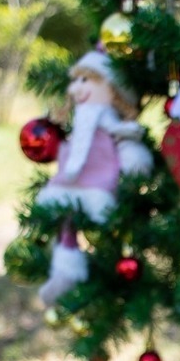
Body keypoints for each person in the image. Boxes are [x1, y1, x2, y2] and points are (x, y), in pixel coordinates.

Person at [36, 49, 154, 305]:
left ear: (110, 89)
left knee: (92, 214)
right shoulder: (79, 119)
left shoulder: (105, 117)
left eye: (86, 80)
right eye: (76, 81)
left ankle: (83, 275)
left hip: (97, 183)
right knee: (64, 219)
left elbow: (120, 135)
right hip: (68, 181)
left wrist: (133, 145)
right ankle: (64, 270)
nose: (76, 89)